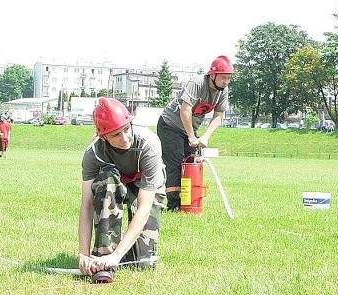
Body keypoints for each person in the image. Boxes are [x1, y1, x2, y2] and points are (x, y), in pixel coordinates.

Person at [79, 97, 165, 283]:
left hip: (145, 188)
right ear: (103, 136)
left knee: (142, 264)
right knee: (107, 179)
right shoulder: (93, 153)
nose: (124, 138)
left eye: (126, 130)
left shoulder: (149, 144)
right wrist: (83, 254)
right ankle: (103, 254)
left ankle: (119, 254)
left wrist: (119, 255)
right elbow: (86, 205)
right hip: (114, 183)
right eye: (115, 135)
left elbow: (145, 205)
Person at [156, 55, 233, 211]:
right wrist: (191, 136)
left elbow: (218, 117)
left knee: (191, 163)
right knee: (176, 165)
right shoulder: (197, 83)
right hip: (170, 125)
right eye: (223, 77)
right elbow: (185, 110)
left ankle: (189, 202)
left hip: (190, 128)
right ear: (212, 75)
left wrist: (204, 137)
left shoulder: (223, 91)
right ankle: (174, 206)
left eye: (229, 78)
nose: (226, 81)